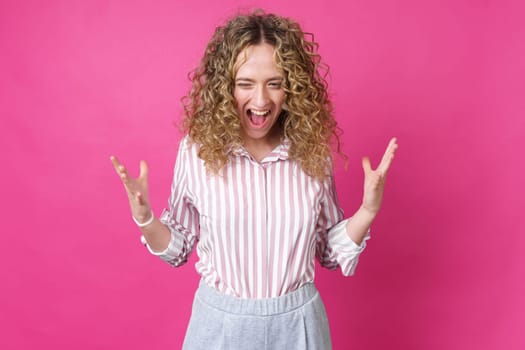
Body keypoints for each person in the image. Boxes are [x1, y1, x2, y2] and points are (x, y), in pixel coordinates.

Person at [110, 10, 397, 350]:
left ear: (293, 87)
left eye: (274, 83)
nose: (260, 101)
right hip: (219, 326)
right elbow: (178, 248)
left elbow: (329, 253)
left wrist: (367, 210)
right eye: (245, 83)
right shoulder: (196, 151)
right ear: (224, 87)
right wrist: (144, 218)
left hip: (299, 326)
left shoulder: (312, 154)